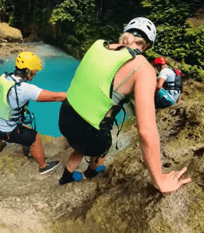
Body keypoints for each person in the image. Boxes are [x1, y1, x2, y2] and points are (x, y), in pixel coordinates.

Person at [58, 17, 191, 194]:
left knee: (81, 142)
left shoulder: (98, 46)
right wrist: (159, 180)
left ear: (124, 33)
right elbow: (146, 131)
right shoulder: (143, 69)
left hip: (65, 117)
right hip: (89, 132)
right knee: (103, 143)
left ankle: (67, 175)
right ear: (146, 45)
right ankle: (91, 171)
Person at [0, 52, 66, 175]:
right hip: (9, 131)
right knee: (34, 137)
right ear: (27, 71)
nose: (35, 73)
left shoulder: (4, 77)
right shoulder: (24, 89)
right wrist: (72, 96)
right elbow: (55, 97)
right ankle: (43, 166)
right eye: (34, 71)